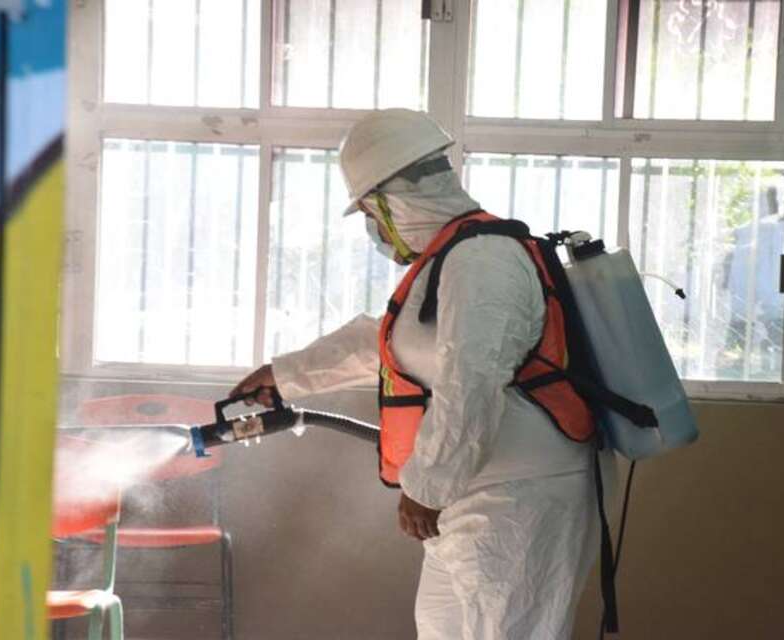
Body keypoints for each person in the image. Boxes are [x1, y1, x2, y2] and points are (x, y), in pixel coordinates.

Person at [231, 109, 615, 639]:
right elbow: (393, 345)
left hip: (519, 499)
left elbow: (471, 382)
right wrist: (286, 374)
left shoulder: (484, 261)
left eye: (370, 212)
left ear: (390, 200)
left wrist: (428, 485)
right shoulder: (449, 259)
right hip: (470, 497)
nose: (373, 228)